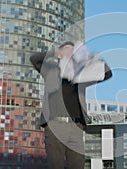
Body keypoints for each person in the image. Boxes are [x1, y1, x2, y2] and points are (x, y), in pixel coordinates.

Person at [30, 41, 112, 169]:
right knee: (55, 165)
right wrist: (54, 52)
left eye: (74, 50)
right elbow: (34, 59)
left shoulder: (82, 75)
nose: (71, 52)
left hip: (76, 127)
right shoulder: (51, 70)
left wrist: (91, 57)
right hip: (54, 126)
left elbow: (107, 73)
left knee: (78, 164)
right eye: (67, 49)